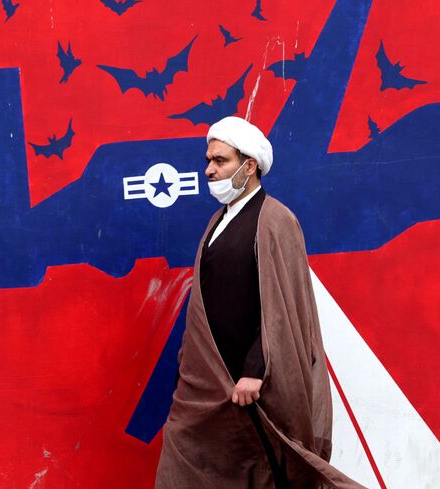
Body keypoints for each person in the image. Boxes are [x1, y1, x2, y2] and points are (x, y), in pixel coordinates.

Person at [155, 117, 366, 489]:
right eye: (208, 160)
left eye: (220, 161)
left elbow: (285, 307)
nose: (209, 170)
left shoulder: (275, 220)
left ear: (249, 165)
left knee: (266, 468)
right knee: (188, 453)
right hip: (209, 381)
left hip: (252, 384)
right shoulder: (216, 221)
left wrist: (256, 369)